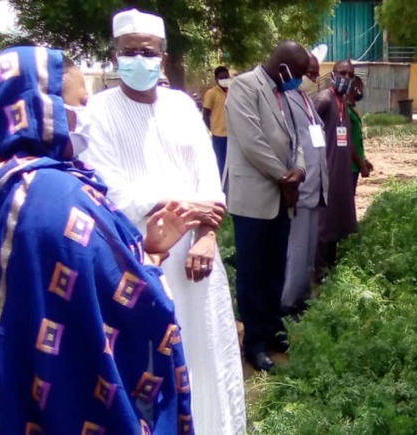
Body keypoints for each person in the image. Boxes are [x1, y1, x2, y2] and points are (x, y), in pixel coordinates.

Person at [0, 46, 197, 433]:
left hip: (1, 382)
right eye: (78, 104)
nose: (84, 118)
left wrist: (140, 246)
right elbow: (129, 298)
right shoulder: (56, 195)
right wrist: (152, 262)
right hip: (66, 393)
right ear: (39, 109)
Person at [80, 9, 246, 432]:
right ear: (115, 55)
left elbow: (210, 178)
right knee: (148, 364)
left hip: (197, 260)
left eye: (147, 51)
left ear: (162, 54)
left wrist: (207, 237)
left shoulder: (181, 107)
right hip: (138, 259)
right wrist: (190, 207)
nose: (139, 59)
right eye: (129, 51)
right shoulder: (96, 112)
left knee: (207, 355)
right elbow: (111, 189)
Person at [225, 41, 309, 372]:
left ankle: (273, 330)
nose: (300, 81)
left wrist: (299, 170)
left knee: (275, 270)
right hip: (253, 199)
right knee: (253, 274)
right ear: (284, 68)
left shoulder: (284, 94)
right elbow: (252, 142)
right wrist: (285, 178)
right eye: (298, 74)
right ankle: (254, 343)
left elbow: (297, 139)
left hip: (281, 198)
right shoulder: (244, 87)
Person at [281, 50, 328, 318]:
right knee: (296, 249)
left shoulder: (307, 100)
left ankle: (302, 296)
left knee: (308, 249)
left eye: (314, 73)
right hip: (300, 186)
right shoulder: (285, 100)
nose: (312, 78)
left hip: (315, 185)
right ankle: (287, 304)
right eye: (308, 73)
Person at [315, 60, 363, 276]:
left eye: (350, 74)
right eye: (342, 72)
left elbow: (348, 139)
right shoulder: (324, 100)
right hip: (326, 170)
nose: (346, 77)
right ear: (333, 75)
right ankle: (318, 268)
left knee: (337, 217)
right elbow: (309, 133)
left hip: (342, 171)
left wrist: (361, 163)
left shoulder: (344, 104)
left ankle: (331, 263)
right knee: (324, 220)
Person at [204, 66, 231, 178]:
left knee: (233, 164)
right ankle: (222, 189)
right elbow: (205, 115)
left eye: (226, 77)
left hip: (234, 135)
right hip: (219, 136)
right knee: (221, 164)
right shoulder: (211, 93)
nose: (224, 80)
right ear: (216, 79)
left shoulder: (233, 91)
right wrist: (213, 129)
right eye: (221, 78)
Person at [347, 76, 373, 191]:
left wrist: (364, 160)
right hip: (349, 167)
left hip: (354, 165)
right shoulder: (346, 111)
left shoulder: (351, 110)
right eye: (361, 89)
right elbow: (348, 142)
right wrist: (361, 166)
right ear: (356, 89)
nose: (361, 92)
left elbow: (356, 140)